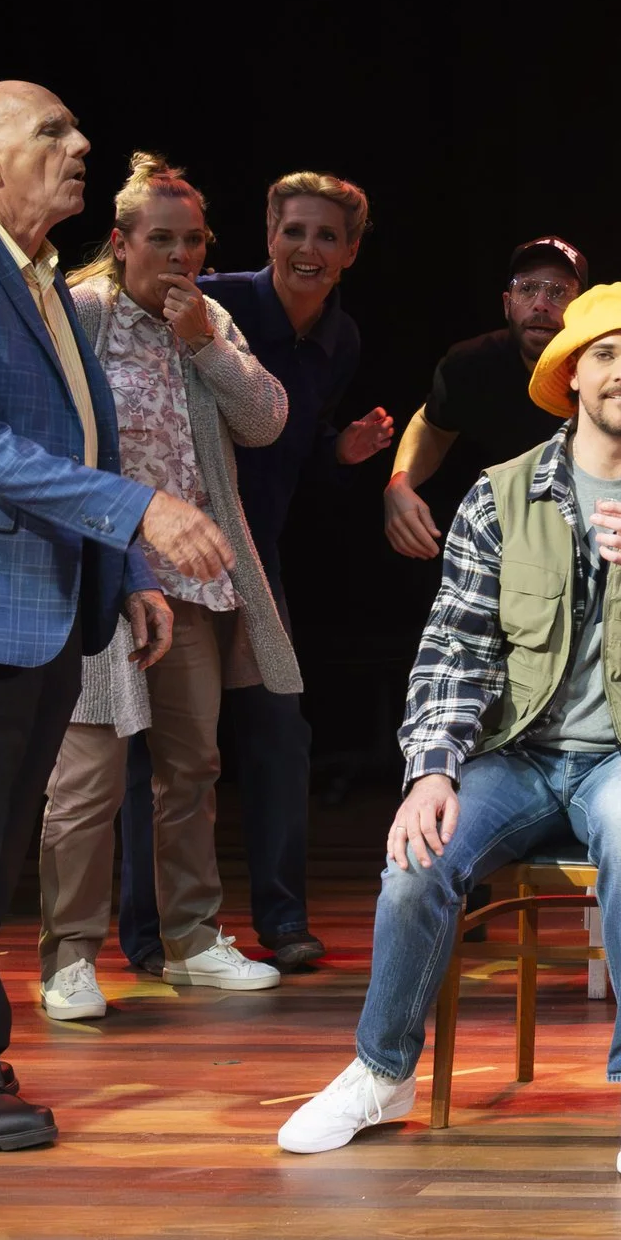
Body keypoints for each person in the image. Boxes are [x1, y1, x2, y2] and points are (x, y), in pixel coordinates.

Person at [276, 283, 621, 1177]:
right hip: (522, 754)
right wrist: (432, 770)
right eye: (605, 355)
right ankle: (381, 1071)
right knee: (419, 853)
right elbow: (455, 646)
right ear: (571, 375)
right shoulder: (501, 494)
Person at [0, 82, 229, 1152]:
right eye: (52, 134)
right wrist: (144, 513)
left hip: (39, 596)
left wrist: (122, 576)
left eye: (75, 132)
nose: (80, 148)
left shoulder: (38, 280)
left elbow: (76, 435)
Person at [38, 155, 304, 1019]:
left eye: (194, 241)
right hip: (104, 575)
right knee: (89, 778)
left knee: (192, 767)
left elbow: (265, 422)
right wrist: (112, 551)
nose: (181, 256)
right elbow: (44, 436)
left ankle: (191, 941)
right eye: (162, 240)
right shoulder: (83, 313)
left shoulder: (211, 318)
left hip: (191, 583)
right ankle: (69, 957)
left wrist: (204, 343)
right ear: (120, 244)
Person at [117, 171, 396, 975]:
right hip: (170, 545)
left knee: (279, 731)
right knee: (159, 748)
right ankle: (149, 933)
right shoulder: (210, 301)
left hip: (251, 550)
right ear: (269, 232)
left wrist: (339, 453)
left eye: (328, 237)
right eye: (295, 231)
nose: (309, 249)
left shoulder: (339, 339)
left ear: (348, 253)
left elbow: (286, 444)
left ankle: (283, 919)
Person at [382, 236, 621, 559]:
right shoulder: (471, 364)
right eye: (528, 289)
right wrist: (400, 482)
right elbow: (433, 422)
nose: (541, 304)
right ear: (507, 302)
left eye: (558, 292)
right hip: (515, 541)